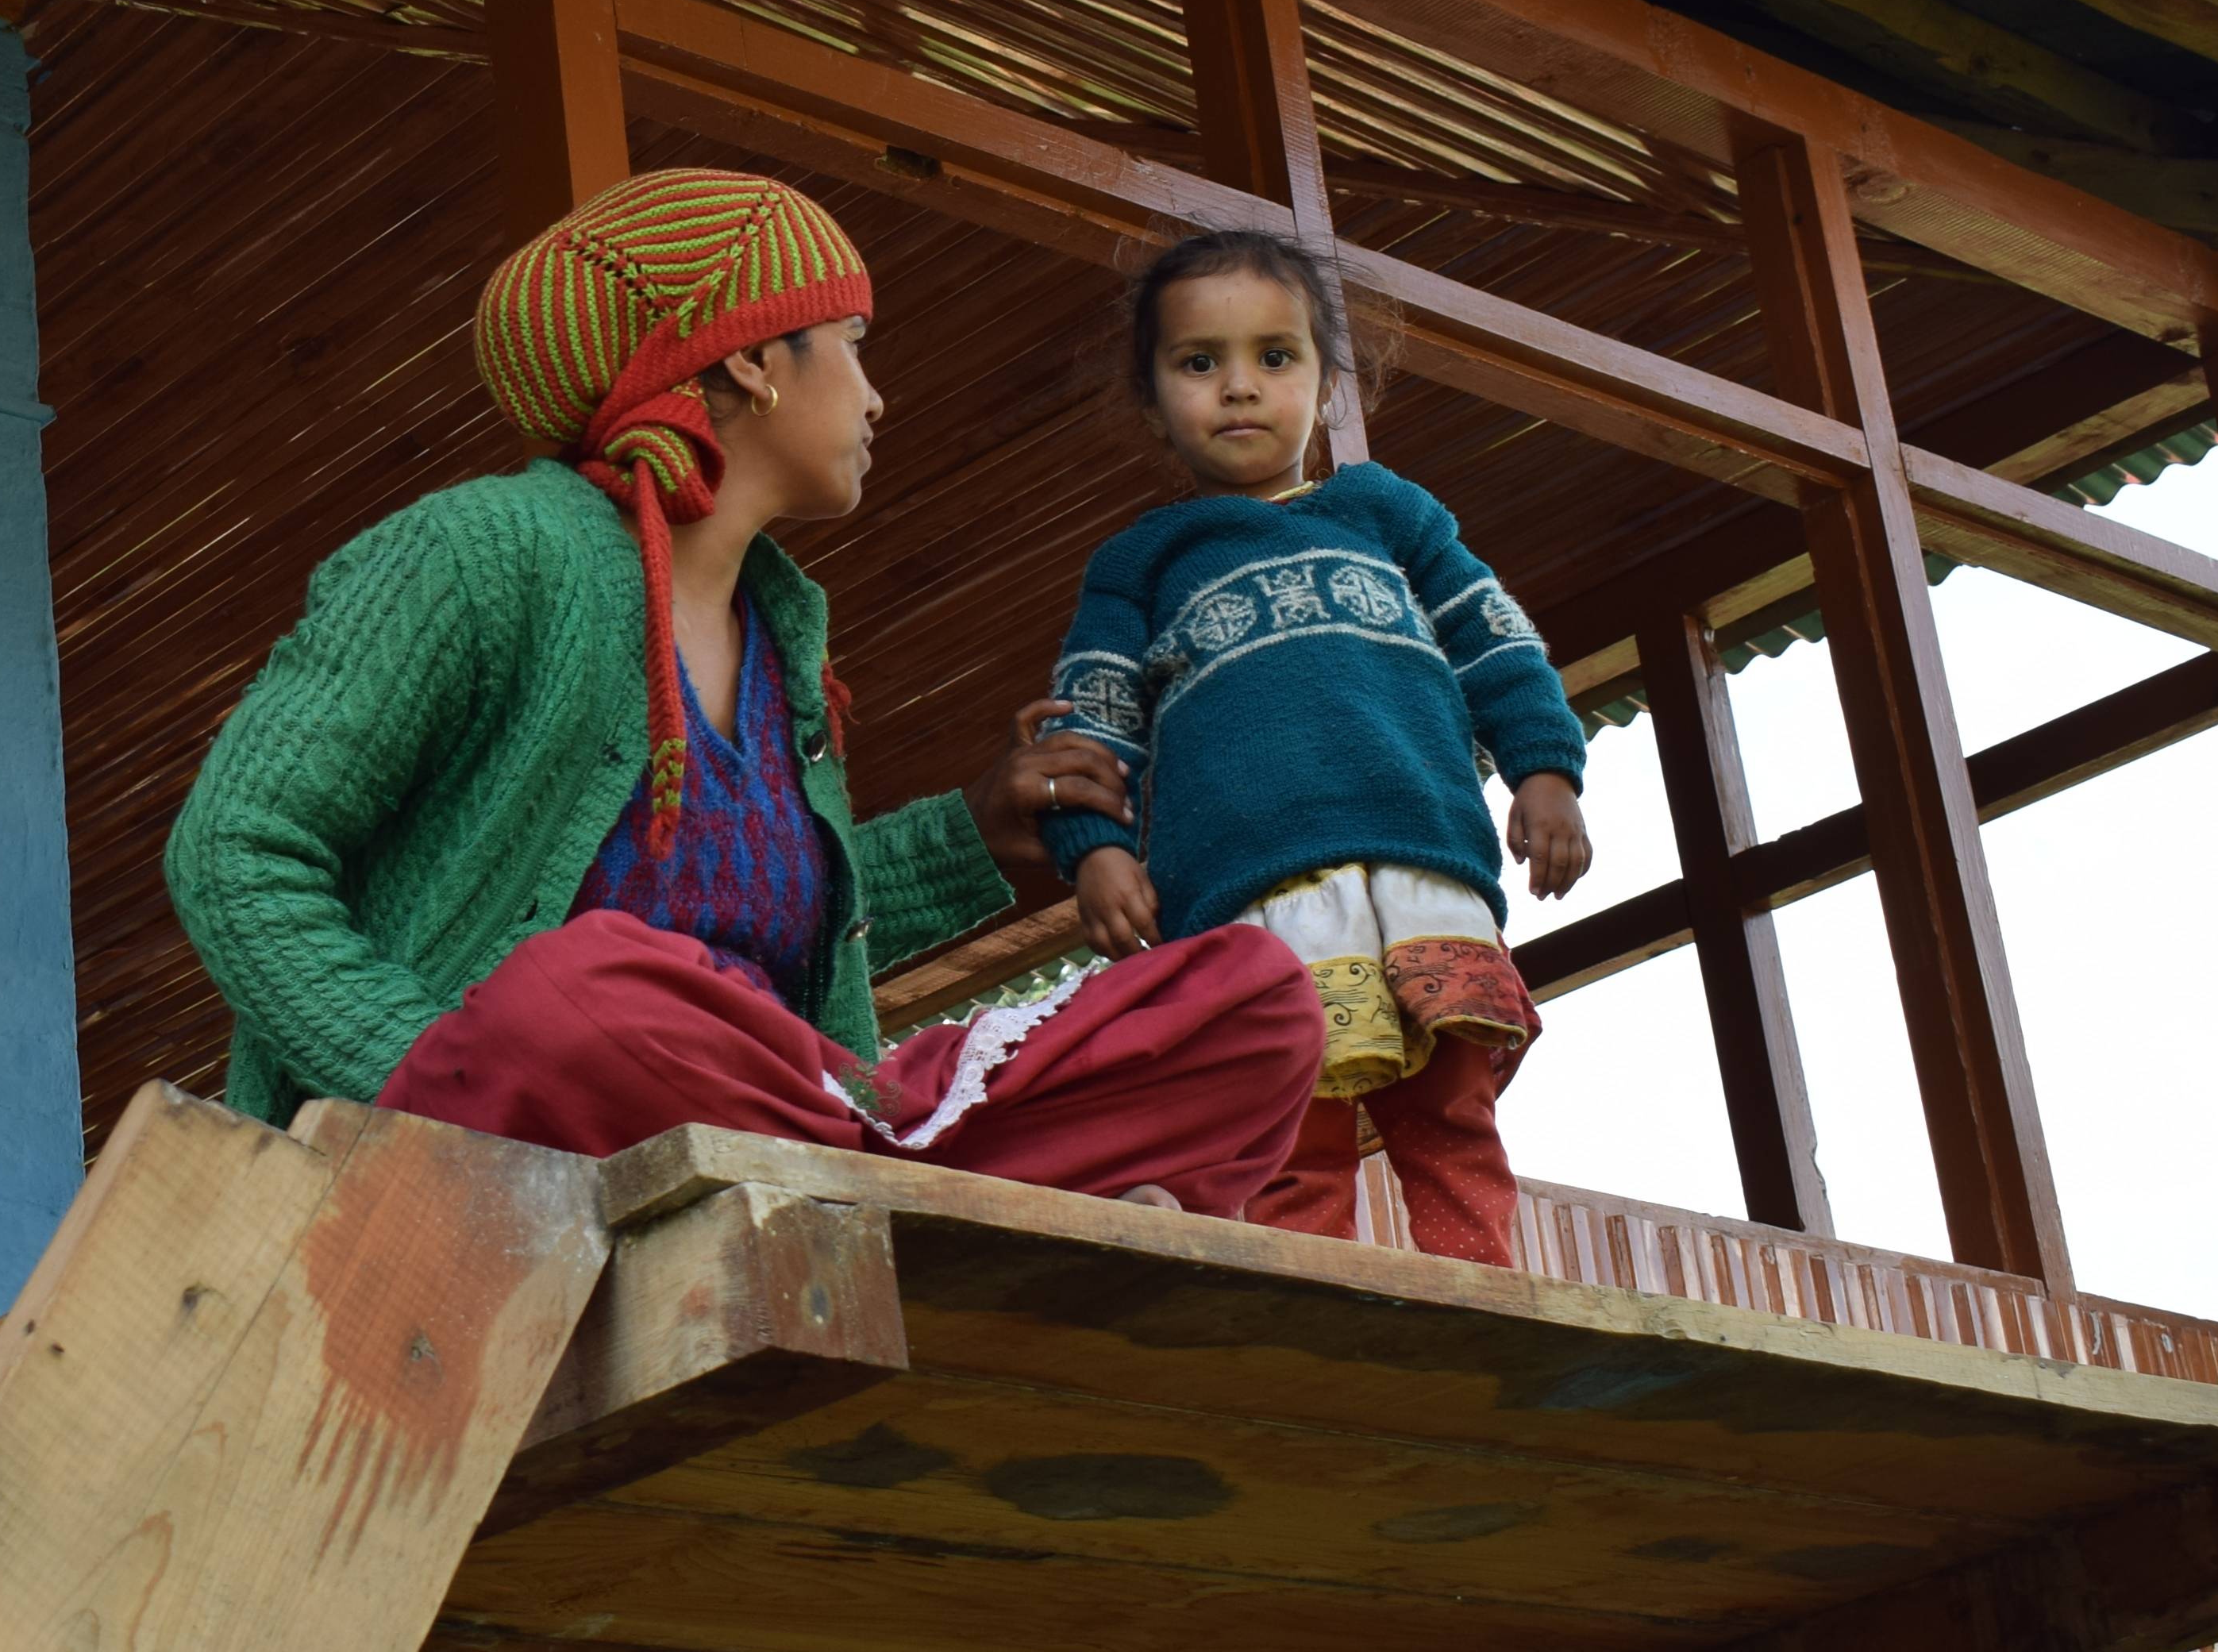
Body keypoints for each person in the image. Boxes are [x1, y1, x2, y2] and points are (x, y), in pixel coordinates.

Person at [168, 168, 1322, 1196]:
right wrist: (427, 1073)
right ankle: (960, 1186)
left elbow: (756, 923)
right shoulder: (487, 551)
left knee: (1254, 999)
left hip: (786, 1110)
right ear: (753, 358)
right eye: (854, 342)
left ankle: (896, 1175)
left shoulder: (784, 633)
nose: (876, 397)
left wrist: (974, 832)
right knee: (585, 988)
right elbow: (234, 848)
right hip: (531, 1114)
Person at [1038, 230, 1592, 1271]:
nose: (1240, 388)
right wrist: (1095, 848)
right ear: (1153, 400)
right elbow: (1092, 719)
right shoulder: (1141, 564)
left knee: (1452, 1111)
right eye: (1201, 364)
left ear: (1329, 384)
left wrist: (1546, 772)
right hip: (1250, 894)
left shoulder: (1390, 514)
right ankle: (1315, 1298)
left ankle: (1485, 1293)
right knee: (1292, 1127)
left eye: (1275, 358)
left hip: (1419, 860)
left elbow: (1495, 640)